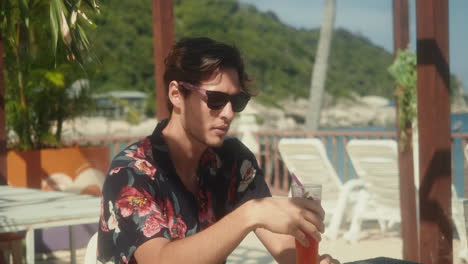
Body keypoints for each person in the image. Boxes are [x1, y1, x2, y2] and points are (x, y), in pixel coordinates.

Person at [97, 37, 339, 264]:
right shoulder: (130, 172)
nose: (228, 113)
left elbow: (282, 247)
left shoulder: (232, 160)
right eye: (215, 100)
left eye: (236, 101)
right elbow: (160, 259)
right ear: (176, 94)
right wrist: (250, 214)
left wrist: (314, 261)